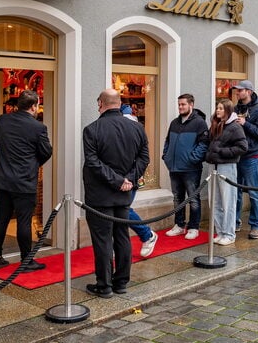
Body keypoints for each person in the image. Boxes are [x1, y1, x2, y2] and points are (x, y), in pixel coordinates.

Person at [0, 90, 53, 271]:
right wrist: (34, 164)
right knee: (24, 221)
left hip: (3, 180)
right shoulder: (38, 127)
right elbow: (47, 152)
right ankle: (26, 261)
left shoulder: (3, 120)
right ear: (34, 106)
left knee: (1, 218)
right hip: (24, 182)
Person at [82, 89, 149, 298]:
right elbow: (144, 159)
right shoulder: (137, 128)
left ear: (101, 103)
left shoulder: (92, 130)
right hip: (123, 193)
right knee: (122, 237)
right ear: (119, 104)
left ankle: (105, 285)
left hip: (101, 195)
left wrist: (120, 181)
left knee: (103, 240)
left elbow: (93, 162)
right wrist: (127, 179)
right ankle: (121, 282)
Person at [162, 94, 209, 240]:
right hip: (174, 168)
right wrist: (166, 156)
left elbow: (204, 144)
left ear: (191, 105)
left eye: (183, 104)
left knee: (193, 199)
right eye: (179, 104)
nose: (180, 107)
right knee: (177, 198)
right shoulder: (174, 122)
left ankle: (194, 227)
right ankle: (179, 225)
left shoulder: (199, 123)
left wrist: (193, 158)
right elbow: (168, 141)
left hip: (191, 169)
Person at [205, 99, 247, 245]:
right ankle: (220, 231)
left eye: (221, 108)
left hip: (227, 166)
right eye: (217, 108)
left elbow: (242, 147)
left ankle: (229, 233)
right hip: (213, 165)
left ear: (228, 110)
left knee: (228, 201)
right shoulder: (216, 125)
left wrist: (222, 152)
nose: (218, 110)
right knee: (214, 201)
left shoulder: (235, 128)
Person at [121, 105, 158, 258]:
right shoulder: (134, 128)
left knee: (124, 209)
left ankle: (147, 234)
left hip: (130, 177)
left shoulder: (134, 130)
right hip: (125, 177)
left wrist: (131, 177)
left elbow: (142, 157)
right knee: (121, 210)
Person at [232, 81, 258, 240]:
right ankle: (235, 222)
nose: (237, 93)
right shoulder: (236, 108)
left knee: (254, 192)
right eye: (237, 90)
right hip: (236, 155)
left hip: (251, 156)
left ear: (249, 91)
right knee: (236, 191)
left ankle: (255, 225)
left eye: (240, 90)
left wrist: (246, 123)